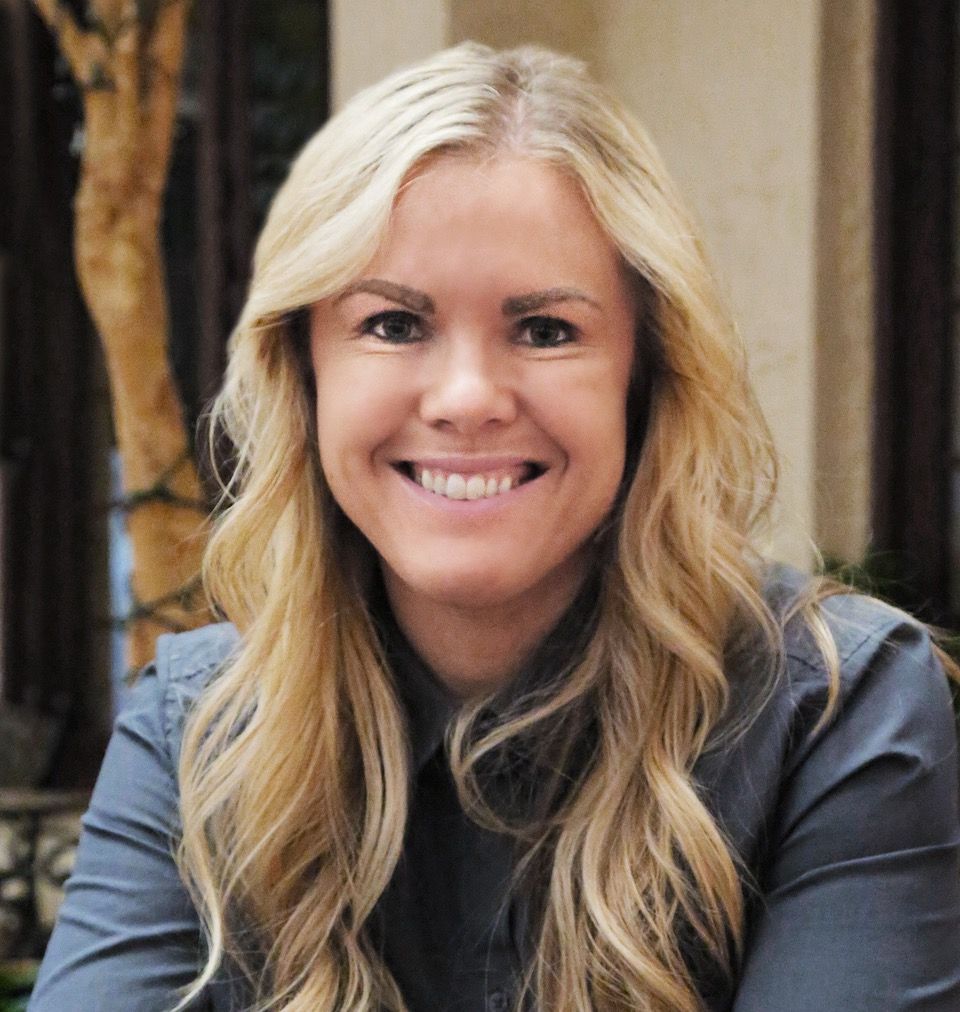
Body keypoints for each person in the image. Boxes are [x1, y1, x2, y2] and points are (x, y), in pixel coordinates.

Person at [30, 43, 960, 1012]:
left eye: (547, 330)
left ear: (643, 378)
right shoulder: (195, 733)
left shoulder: (833, 713)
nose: (468, 398)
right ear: (305, 375)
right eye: (393, 324)